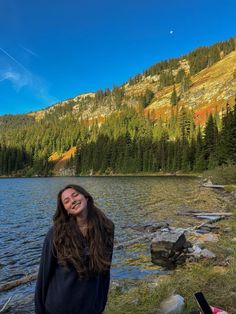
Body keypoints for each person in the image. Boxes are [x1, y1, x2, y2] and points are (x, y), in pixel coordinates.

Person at [35, 184, 114, 314]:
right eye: (66, 201)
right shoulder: (56, 234)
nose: (72, 201)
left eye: (75, 195)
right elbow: (43, 275)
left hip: (90, 308)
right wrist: (39, 310)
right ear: (66, 209)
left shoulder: (106, 228)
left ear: (86, 197)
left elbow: (105, 271)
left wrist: (101, 303)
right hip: (58, 308)